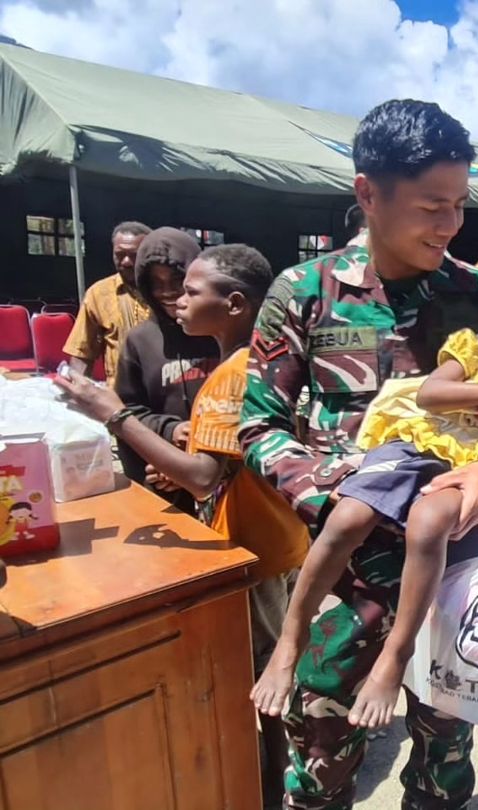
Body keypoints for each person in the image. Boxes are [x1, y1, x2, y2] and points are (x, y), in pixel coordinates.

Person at [240, 98, 478, 810]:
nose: (450, 225)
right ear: (367, 194)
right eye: (432, 206)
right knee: (318, 764)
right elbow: (258, 427)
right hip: (342, 581)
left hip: (453, 575)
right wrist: (346, 493)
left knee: (445, 762)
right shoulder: (306, 294)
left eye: (460, 205)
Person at [252, 263, 478, 730]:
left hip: (465, 471)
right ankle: (289, 641)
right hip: (416, 444)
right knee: (348, 517)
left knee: (430, 523)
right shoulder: (476, 348)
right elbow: (431, 395)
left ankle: (396, 656)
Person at [54, 243, 309, 797]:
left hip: (253, 550)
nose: (177, 299)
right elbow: (226, 462)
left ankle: (269, 788)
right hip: (280, 538)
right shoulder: (265, 358)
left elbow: (202, 476)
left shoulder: (233, 373)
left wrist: (113, 414)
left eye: (192, 291)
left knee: (262, 679)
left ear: (236, 303)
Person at [114, 227, 219, 515]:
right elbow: (127, 409)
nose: (167, 291)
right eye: (155, 283)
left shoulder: (222, 331)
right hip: (164, 478)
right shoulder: (140, 341)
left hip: (226, 476)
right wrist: (170, 431)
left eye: (177, 279)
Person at [63, 221, 152, 386]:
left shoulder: (167, 291)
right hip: (119, 396)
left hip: (164, 394)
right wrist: (79, 391)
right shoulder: (98, 294)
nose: (126, 262)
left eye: (134, 255)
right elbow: (82, 352)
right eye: (119, 254)